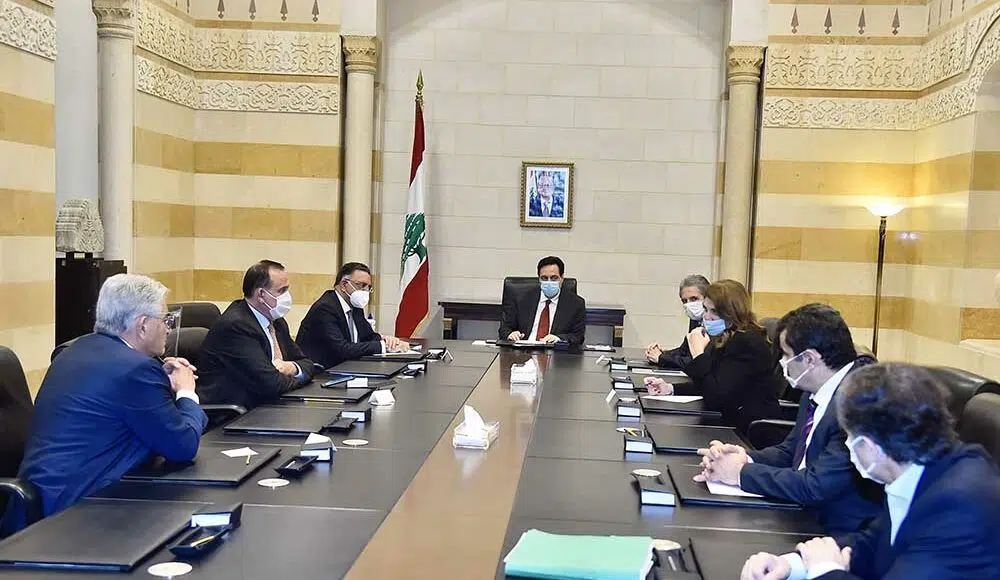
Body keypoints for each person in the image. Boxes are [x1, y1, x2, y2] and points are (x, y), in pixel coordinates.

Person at [740, 363, 1000, 580]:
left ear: (869, 446)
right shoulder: (918, 471)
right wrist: (793, 564)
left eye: (849, 438)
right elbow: (873, 545)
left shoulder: (957, 506)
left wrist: (825, 570)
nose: (847, 447)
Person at [14, 274, 207, 517]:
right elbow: (183, 446)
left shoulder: (75, 350)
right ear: (143, 325)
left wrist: (161, 385)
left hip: (47, 498)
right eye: (165, 320)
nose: (169, 329)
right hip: (79, 507)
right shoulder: (135, 370)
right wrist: (186, 391)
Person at [693, 304, 883, 535]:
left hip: (836, 530)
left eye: (786, 355)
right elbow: (790, 452)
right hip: (800, 509)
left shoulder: (857, 405)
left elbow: (816, 486)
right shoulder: (815, 389)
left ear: (810, 358)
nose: (782, 362)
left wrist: (740, 473)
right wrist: (745, 458)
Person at [645, 279, 781, 432]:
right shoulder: (724, 337)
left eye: (714, 312)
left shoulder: (746, 342)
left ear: (732, 312)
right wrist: (670, 389)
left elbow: (718, 398)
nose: (707, 317)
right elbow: (710, 382)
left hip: (749, 429)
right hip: (729, 421)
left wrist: (698, 354)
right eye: (706, 309)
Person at [198, 260, 317, 409]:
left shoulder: (277, 322)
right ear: (261, 294)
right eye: (281, 291)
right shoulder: (236, 326)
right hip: (235, 414)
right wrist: (302, 377)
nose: (287, 297)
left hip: (268, 405)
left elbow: (307, 364)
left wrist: (291, 368)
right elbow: (272, 384)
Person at [296, 262, 410, 369]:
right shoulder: (325, 308)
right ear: (344, 285)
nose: (365, 291)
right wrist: (382, 346)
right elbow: (342, 349)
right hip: (321, 372)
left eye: (368, 287)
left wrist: (388, 341)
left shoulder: (355, 306)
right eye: (362, 285)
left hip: (347, 367)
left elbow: (367, 336)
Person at [498, 256, 586, 346]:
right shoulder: (521, 299)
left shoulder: (576, 304)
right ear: (539, 279)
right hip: (524, 350)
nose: (549, 282)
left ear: (562, 278)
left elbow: (578, 336)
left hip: (554, 352)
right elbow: (504, 329)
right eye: (544, 278)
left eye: (554, 278)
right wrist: (510, 334)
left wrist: (559, 338)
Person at [645, 274, 710, 368]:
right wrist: (662, 353)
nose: (689, 305)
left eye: (694, 299)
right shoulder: (695, 320)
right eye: (684, 301)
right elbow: (684, 351)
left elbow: (696, 361)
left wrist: (661, 358)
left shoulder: (714, 324)